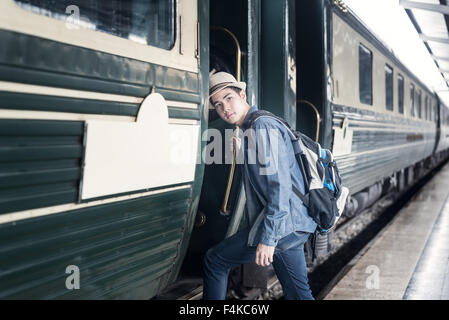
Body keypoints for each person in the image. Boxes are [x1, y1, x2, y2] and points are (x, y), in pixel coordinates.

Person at [202, 71, 318, 300]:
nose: (224, 108)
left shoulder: (261, 126)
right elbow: (270, 173)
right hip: (292, 223)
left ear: (242, 94)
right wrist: (245, 155)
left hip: (284, 224)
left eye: (228, 98)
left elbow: (279, 186)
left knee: (215, 261)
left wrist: (268, 238)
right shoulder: (253, 128)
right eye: (217, 104)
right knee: (299, 295)